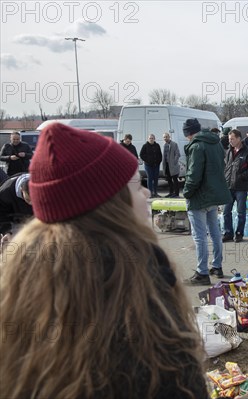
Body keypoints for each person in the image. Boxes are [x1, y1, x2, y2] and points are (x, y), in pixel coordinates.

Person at [0, 123, 208, 398]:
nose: (146, 193)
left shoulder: (23, 280)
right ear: (109, 205)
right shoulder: (139, 291)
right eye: (135, 186)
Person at [182, 118, 231, 284]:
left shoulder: (196, 146)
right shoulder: (215, 142)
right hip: (214, 194)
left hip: (199, 196)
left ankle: (202, 272)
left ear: (188, 133)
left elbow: (193, 174)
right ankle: (217, 266)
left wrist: (187, 192)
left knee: (200, 236)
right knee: (215, 232)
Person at [223, 129, 248, 243]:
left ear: (239, 138)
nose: (230, 141)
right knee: (226, 211)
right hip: (228, 187)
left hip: (241, 188)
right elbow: (226, 166)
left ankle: (239, 233)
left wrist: (242, 176)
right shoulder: (229, 151)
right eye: (229, 139)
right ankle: (228, 233)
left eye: (232, 139)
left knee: (241, 212)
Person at [140, 134, 163, 198]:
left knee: (156, 178)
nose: (151, 139)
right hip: (148, 165)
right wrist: (147, 160)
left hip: (156, 165)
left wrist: (158, 161)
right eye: (150, 138)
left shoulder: (157, 145)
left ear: (154, 139)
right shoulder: (145, 146)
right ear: (148, 139)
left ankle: (155, 192)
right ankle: (150, 193)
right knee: (150, 178)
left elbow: (160, 155)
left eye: (152, 138)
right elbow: (141, 155)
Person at [162, 132, 181, 198]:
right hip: (167, 165)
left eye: (166, 137)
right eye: (164, 137)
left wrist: (174, 162)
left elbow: (177, 154)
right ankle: (171, 193)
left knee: (175, 180)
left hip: (173, 166)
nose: (165, 138)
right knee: (169, 180)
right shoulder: (164, 145)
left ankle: (176, 194)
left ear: (169, 137)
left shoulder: (174, 144)